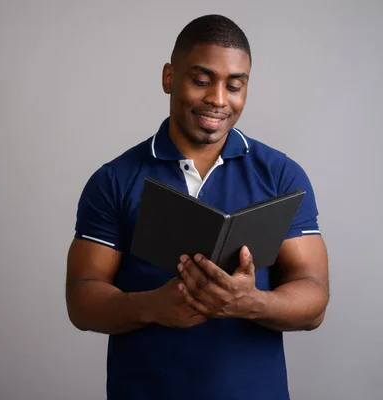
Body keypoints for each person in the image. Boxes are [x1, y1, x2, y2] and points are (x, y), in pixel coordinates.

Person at [65, 14, 330, 400]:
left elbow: (314, 300)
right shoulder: (114, 180)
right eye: (202, 81)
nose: (218, 100)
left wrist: (247, 302)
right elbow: (82, 300)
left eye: (235, 86)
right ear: (170, 78)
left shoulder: (281, 176)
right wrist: (153, 306)